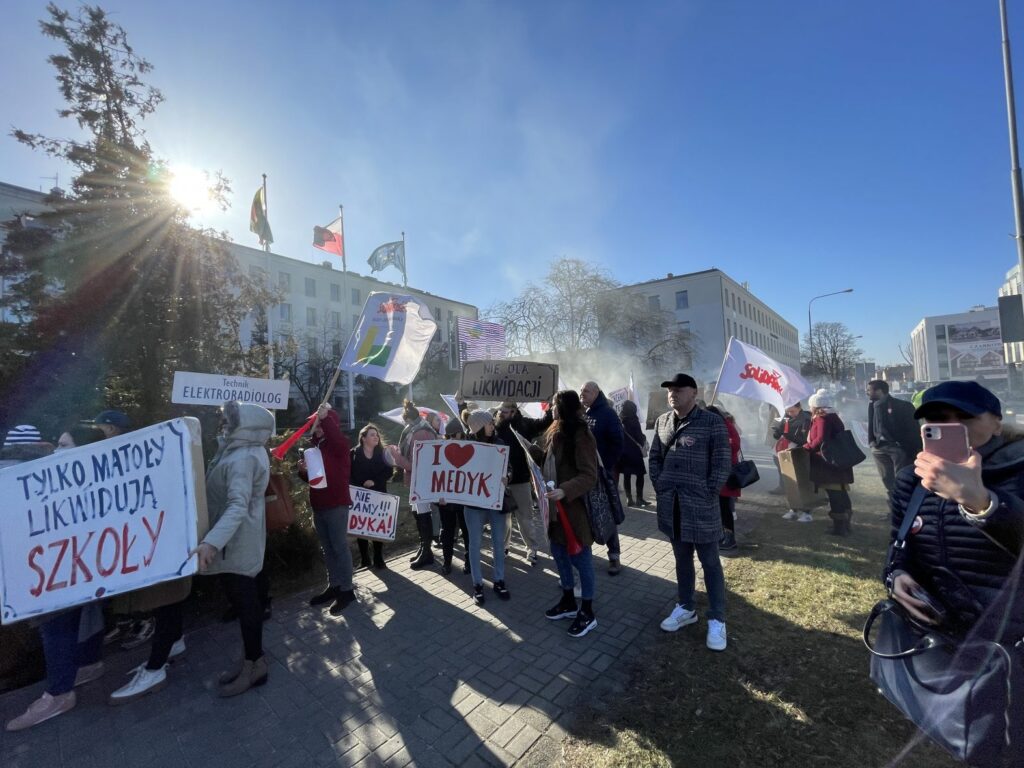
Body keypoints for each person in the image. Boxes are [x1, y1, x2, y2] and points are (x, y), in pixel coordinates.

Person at [885, 382, 1024, 753]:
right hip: (942, 639)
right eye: (937, 419)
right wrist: (895, 576)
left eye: (965, 416)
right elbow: (898, 547)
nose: (952, 426)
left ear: (997, 423)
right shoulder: (910, 481)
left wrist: (979, 501)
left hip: (1011, 643)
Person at [5, 424, 105, 731]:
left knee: (55, 626)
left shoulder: (30, 478)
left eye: (64, 445)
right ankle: (86, 665)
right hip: (65, 564)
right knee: (76, 617)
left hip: (57, 568)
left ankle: (60, 693)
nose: (56, 450)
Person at [193, 401, 274, 697]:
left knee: (247, 605)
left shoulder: (242, 458)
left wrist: (212, 541)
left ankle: (255, 665)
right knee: (244, 604)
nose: (223, 425)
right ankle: (251, 661)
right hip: (235, 541)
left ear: (247, 425)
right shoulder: (238, 452)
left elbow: (237, 505)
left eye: (230, 421)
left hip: (235, 544)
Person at [649, 373, 732, 651]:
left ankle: (717, 619)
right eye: (669, 390)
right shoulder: (662, 421)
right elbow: (654, 457)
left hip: (700, 506)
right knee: (681, 560)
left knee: (710, 562)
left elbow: (722, 462)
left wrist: (709, 491)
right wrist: (659, 485)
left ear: (693, 393)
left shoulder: (711, 422)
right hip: (671, 505)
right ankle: (685, 607)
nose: (672, 393)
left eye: (679, 389)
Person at [531, 390, 601, 638]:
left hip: (573, 510)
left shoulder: (581, 435)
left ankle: (588, 611)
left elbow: (589, 475)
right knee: (559, 555)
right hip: (555, 510)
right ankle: (569, 601)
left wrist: (564, 490)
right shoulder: (555, 430)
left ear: (562, 407)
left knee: (582, 561)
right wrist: (532, 452)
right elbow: (551, 463)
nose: (550, 409)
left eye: (553, 405)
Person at [298, 403, 356, 614]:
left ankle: (347, 590)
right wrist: (302, 472)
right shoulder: (315, 449)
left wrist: (327, 418)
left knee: (339, 547)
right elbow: (314, 479)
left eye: (321, 424)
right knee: (327, 548)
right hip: (319, 505)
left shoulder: (339, 445)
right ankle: (334, 585)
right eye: (316, 425)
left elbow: (338, 440)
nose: (318, 427)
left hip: (336, 505)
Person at [461, 410, 512, 604]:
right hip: (473, 504)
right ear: (479, 427)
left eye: (493, 422)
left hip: (495, 502)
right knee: (474, 545)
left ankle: (499, 580)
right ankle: (478, 585)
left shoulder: (500, 444)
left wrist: (508, 477)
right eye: (490, 423)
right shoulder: (466, 446)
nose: (493, 426)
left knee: (498, 543)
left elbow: (509, 467)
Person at [494, 399, 552, 565]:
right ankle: (504, 547)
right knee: (503, 518)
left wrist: (549, 404)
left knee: (525, 517)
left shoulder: (524, 424)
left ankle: (532, 548)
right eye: (499, 411)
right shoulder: (495, 426)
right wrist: (461, 405)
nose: (500, 414)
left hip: (520, 479)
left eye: (504, 411)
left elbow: (544, 423)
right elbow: (473, 426)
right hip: (501, 480)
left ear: (513, 412)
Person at [580, 381, 625, 574]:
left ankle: (614, 556)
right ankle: (585, 554)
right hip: (583, 474)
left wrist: (606, 465)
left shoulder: (607, 414)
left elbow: (618, 442)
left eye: (586, 391)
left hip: (601, 474)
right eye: (581, 391)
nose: (582, 394)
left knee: (606, 514)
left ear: (597, 392)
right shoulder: (583, 414)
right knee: (585, 514)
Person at [392, 400, 440, 570]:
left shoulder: (419, 433)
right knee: (419, 514)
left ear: (408, 419)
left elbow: (414, 465)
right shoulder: (422, 430)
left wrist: (396, 457)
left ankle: (426, 553)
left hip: (421, 481)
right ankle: (424, 549)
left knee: (422, 514)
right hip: (421, 480)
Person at [803, 389, 855, 535]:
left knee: (835, 494)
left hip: (829, 462)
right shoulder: (833, 416)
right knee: (841, 492)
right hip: (837, 459)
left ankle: (840, 527)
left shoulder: (822, 418)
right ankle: (845, 524)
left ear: (815, 406)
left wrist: (806, 447)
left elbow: (820, 439)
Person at [350, 423, 394, 571]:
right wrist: (361, 484)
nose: (376, 437)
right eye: (372, 435)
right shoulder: (353, 453)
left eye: (376, 435)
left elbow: (388, 472)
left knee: (377, 525)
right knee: (360, 526)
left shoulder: (383, 453)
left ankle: (378, 557)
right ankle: (364, 559)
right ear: (363, 438)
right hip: (359, 496)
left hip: (379, 493)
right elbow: (348, 474)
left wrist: (375, 481)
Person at [867, 379, 921, 492]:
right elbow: (871, 424)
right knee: (887, 479)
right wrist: (871, 442)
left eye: (869, 390)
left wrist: (906, 446)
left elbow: (913, 429)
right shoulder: (871, 406)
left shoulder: (902, 406)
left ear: (879, 391)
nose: (867, 393)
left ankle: (904, 505)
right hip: (878, 448)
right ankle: (894, 505)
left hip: (897, 448)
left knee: (902, 479)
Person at [438, 418, 471, 575]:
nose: (452, 438)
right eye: (449, 436)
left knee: (467, 531)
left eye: (454, 435)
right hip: (446, 500)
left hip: (464, 500)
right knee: (447, 531)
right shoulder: (440, 451)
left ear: (460, 434)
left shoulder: (470, 449)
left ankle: (469, 561)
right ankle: (447, 561)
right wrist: (438, 498)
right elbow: (435, 477)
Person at [707, 405, 742, 555]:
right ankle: (722, 535)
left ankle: (730, 539)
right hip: (718, 471)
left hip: (727, 472)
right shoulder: (716, 425)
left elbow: (735, 445)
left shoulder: (726, 425)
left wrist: (719, 443)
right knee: (720, 506)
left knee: (725, 507)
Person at [772, 403, 813, 522]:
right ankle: (793, 509)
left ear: (799, 407)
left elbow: (804, 439)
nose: (790, 414)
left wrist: (787, 434)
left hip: (799, 453)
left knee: (803, 483)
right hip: (784, 452)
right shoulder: (786, 417)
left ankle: (807, 512)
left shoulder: (806, 418)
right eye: (788, 411)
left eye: (792, 411)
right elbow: (778, 435)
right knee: (789, 482)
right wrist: (777, 431)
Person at [616, 400, 648, 507]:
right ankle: (639, 499)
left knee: (627, 475)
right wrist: (644, 438)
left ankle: (629, 499)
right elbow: (639, 436)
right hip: (634, 453)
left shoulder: (619, 420)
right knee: (640, 474)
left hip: (623, 453)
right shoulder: (633, 420)